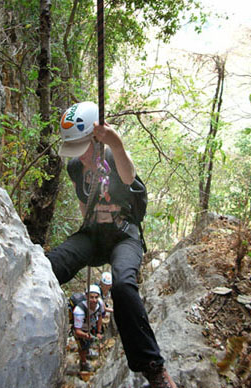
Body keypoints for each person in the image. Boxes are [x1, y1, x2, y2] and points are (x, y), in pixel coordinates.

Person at [46, 101, 177, 388]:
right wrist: (88, 230)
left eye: (82, 149)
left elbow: (129, 177)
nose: (79, 158)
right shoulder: (74, 167)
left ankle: (154, 368)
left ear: (96, 139)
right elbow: (83, 204)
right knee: (49, 267)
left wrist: (116, 145)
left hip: (123, 234)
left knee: (123, 285)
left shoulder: (113, 157)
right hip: (93, 234)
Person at [73, 284, 106, 372]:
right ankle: (83, 362)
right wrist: (85, 335)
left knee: (89, 342)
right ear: (86, 296)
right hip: (82, 330)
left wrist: (99, 332)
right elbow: (77, 331)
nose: (94, 300)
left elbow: (99, 317)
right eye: (91, 297)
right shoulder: (79, 310)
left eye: (96, 297)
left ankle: (88, 352)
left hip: (91, 326)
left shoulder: (99, 304)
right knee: (82, 347)